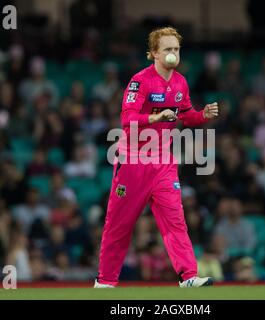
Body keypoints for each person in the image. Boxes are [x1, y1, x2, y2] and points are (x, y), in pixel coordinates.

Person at [95, 27, 219, 288]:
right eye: (167, 49)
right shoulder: (140, 81)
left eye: (176, 49)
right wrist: (156, 116)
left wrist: (202, 115)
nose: (173, 54)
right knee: (120, 224)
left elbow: (186, 114)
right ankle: (105, 281)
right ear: (153, 53)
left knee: (175, 221)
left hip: (163, 162)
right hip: (133, 160)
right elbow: (127, 119)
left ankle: (188, 277)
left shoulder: (181, 83)